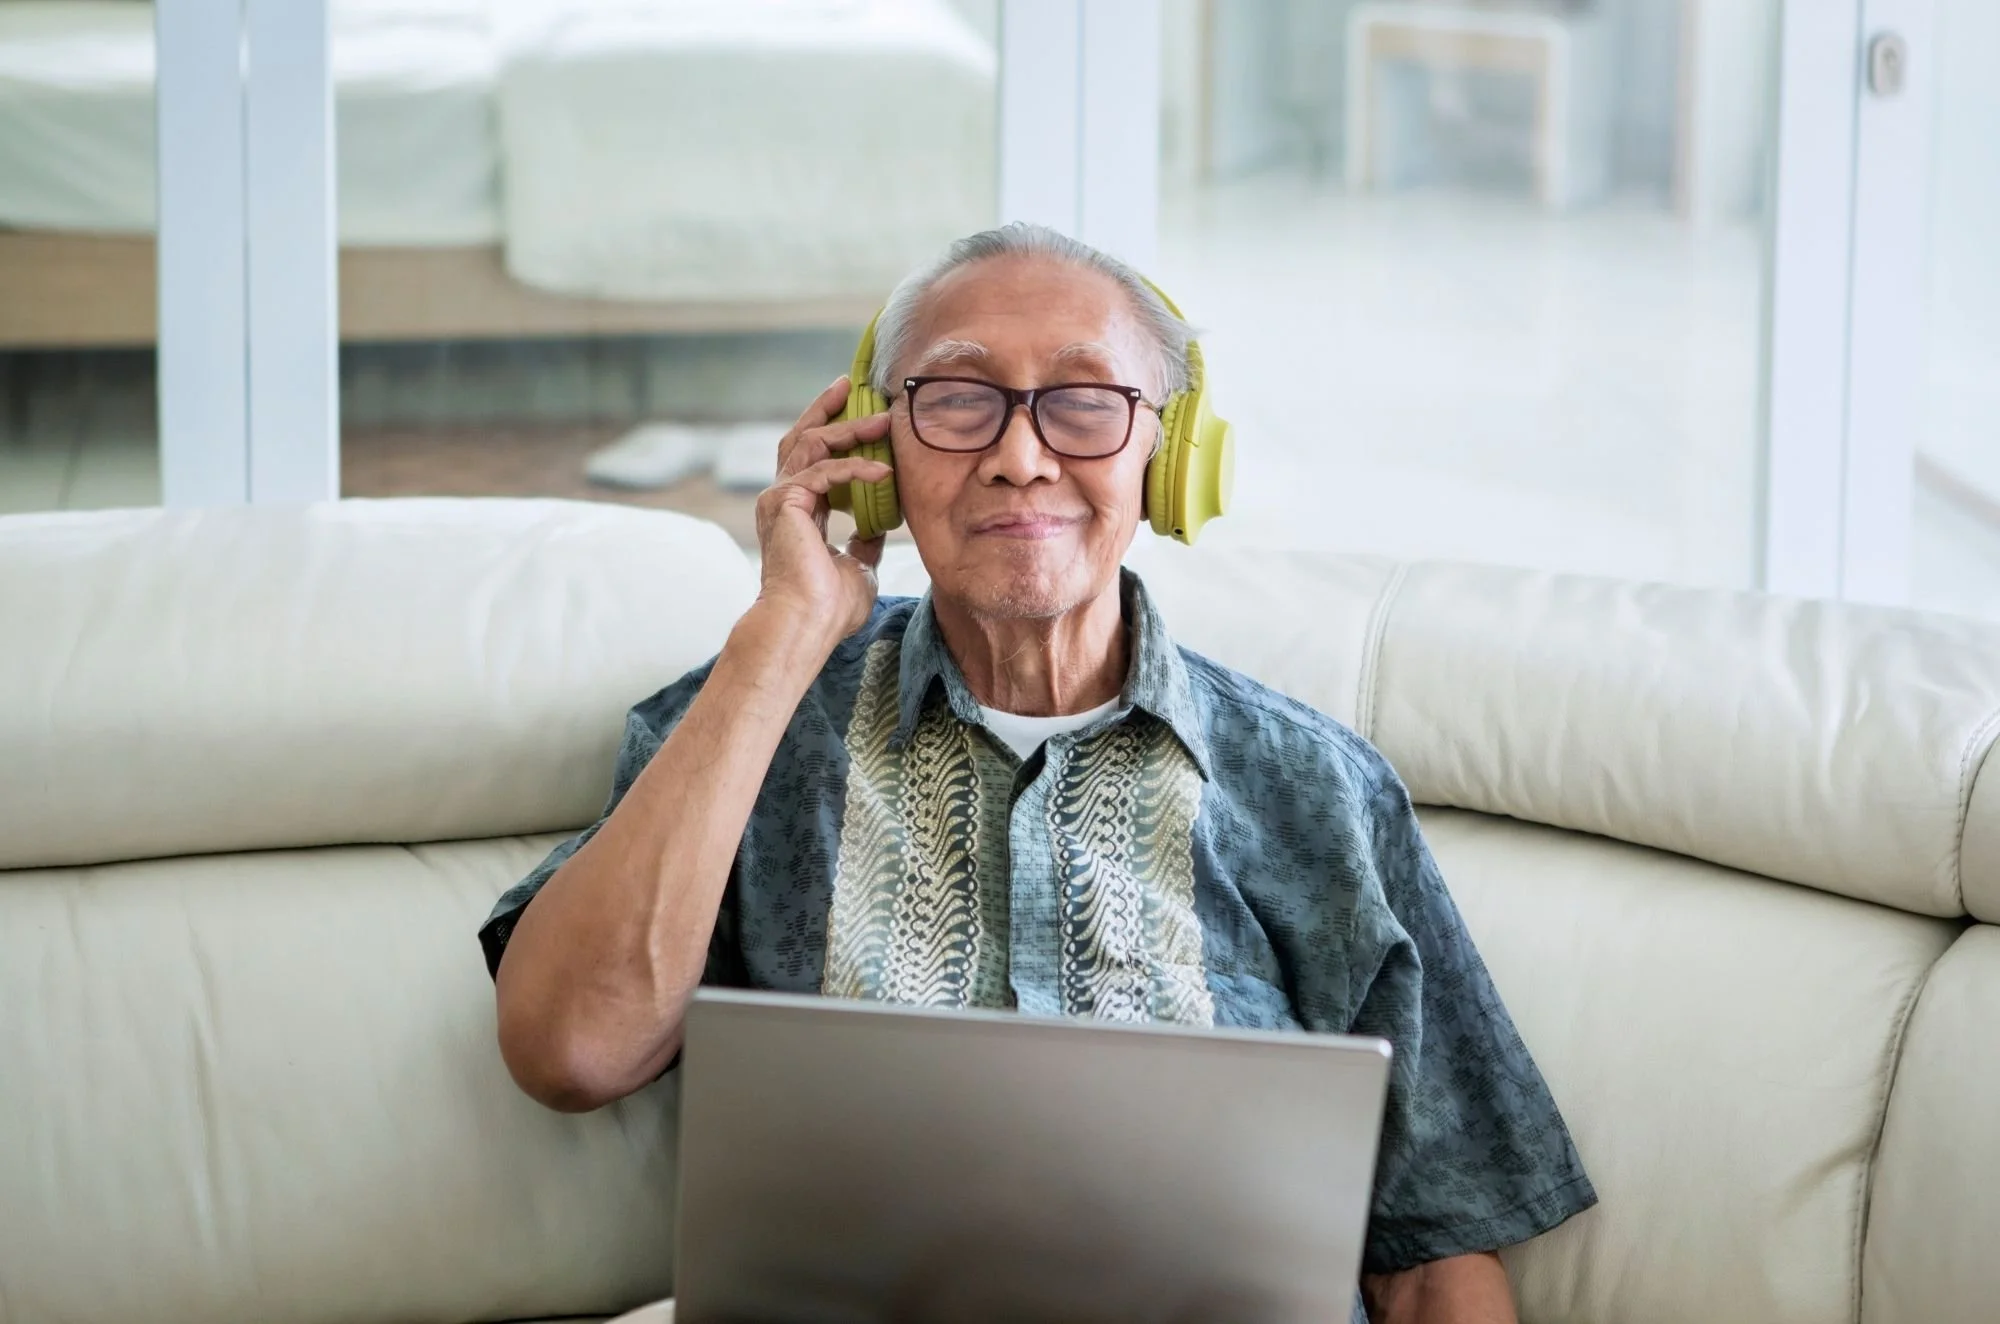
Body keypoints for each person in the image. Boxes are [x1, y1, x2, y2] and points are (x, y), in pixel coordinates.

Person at [479, 223, 1595, 1323]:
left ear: (1168, 452)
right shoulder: (749, 726)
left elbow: (1438, 1264)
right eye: (957, 399)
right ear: (876, 451)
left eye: (1083, 400)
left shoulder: (1314, 787)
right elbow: (572, 1048)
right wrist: (781, 632)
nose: (1018, 455)